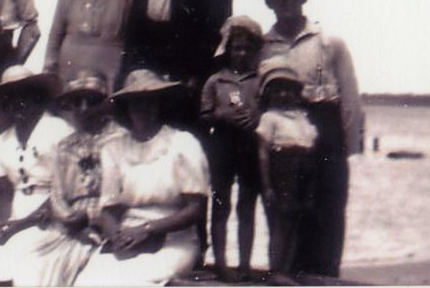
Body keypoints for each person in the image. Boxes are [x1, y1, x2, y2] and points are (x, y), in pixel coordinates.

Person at [254, 0, 364, 278]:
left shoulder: (329, 43)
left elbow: (350, 99)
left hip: (325, 131)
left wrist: (348, 148)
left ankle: (326, 276)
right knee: (286, 217)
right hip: (282, 141)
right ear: (268, 1)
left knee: (328, 213)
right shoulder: (262, 47)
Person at [75, 70, 210, 286]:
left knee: (134, 281)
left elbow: (195, 209)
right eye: (135, 102)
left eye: (149, 101)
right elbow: (109, 211)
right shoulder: (114, 149)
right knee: (88, 281)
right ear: (126, 107)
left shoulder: (183, 143)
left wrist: (147, 229)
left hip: (173, 240)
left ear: (160, 104)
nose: (142, 108)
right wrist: (117, 238)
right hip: (127, 236)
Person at [0, 65, 70, 286]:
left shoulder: (59, 130)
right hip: (14, 213)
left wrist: (19, 225)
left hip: (52, 214)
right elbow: (1, 191)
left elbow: (65, 188)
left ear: (38, 96)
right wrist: (0, 223)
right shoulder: (3, 141)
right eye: (11, 97)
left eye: (24, 95)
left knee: (27, 258)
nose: (18, 103)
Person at [32, 70, 124, 286]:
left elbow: (127, 188)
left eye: (91, 101)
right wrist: (68, 218)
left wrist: (94, 219)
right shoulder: (65, 146)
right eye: (76, 101)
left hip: (111, 218)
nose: (83, 108)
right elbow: (57, 193)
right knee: (38, 262)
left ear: (105, 103)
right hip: (72, 224)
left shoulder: (121, 139)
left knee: (88, 266)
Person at [199, 16, 264, 282]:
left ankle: (245, 264)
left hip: (250, 145)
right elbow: (204, 116)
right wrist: (221, 115)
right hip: (222, 145)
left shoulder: (260, 81)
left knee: (247, 205)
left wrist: (257, 117)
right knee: (220, 203)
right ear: (229, 50)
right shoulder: (215, 81)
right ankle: (221, 263)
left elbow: (270, 110)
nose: (242, 54)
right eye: (237, 48)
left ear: (255, 51)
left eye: (247, 49)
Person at [255, 64, 319, 282]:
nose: (283, 95)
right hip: (282, 169)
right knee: (280, 221)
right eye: (278, 90)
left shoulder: (303, 117)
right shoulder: (269, 118)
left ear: (297, 93)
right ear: (269, 94)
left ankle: (289, 268)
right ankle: (276, 270)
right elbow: (263, 153)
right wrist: (267, 185)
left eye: (289, 90)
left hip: (304, 168)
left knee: (297, 219)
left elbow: (311, 144)